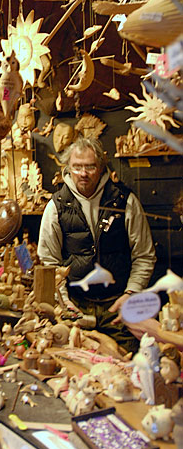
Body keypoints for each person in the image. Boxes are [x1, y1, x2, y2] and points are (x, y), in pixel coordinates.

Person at [38, 137, 156, 353]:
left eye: (90, 166)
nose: (83, 173)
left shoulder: (124, 200)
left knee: (127, 366)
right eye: (77, 167)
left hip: (118, 307)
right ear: (68, 168)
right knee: (78, 368)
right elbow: (49, 261)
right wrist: (64, 303)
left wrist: (131, 293)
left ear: (101, 166)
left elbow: (144, 255)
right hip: (76, 307)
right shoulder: (56, 206)